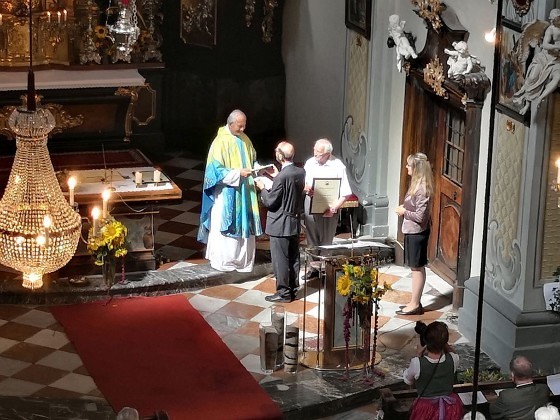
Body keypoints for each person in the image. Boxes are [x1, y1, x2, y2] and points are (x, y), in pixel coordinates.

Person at [197, 109, 262, 272]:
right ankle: (225, 261)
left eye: (244, 125)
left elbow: (252, 160)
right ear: (230, 124)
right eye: (239, 126)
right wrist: (237, 173)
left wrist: (259, 168)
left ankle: (243, 262)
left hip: (245, 191)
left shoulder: (245, 139)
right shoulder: (220, 142)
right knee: (226, 225)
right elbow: (214, 171)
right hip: (227, 193)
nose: (242, 129)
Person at [255, 141, 305, 303]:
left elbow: (270, 201)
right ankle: (293, 288)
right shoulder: (300, 171)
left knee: (280, 260)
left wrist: (262, 188)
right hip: (294, 222)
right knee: (293, 257)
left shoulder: (282, 177)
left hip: (280, 224)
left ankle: (283, 293)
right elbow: (288, 186)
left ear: (280, 156)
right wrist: (277, 176)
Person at [302, 138, 353, 280]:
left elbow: (346, 192)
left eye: (319, 153)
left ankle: (325, 270)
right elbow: (304, 183)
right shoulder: (310, 163)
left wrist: (334, 208)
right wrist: (307, 189)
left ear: (328, 154)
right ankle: (313, 268)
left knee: (326, 240)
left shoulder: (338, 166)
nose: (315, 154)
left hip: (329, 206)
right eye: (314, 150)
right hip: (311, 203)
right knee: (311, 238)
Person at [395, 152, 433, 316]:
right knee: (414, 267)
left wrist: (404, 211)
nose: (406, 167)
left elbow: (420, 217)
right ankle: (413, 302)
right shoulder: (416, 185)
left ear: (416, 168)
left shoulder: (422, 190)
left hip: (417, 233)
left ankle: (415, 304)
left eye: (409, 165)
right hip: (411, 231)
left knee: (417, 268)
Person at [403, 321, 463, 420]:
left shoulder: (417, 363)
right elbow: (453, 353)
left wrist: (418, 356)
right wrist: (445, 345)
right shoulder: (453, 359)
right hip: (450, 408)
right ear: (445, 342)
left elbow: (408, 380)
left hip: (426, 409)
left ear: (426, 342)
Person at [513, 9, 560, 115]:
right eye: (551, 20)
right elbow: (545, 45)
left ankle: (541, 98)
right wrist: (556, 47)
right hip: (544, 58)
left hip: (557, 61)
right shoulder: (550, 29)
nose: (551, 22)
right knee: (533, 77)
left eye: (554, 20)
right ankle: (527, 103)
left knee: (557, 78)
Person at [489, 355, 550, 420]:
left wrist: (493, 399)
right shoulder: (544, 389)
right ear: (532, 373)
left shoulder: (506, 396)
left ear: (512, 375)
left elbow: (494, 413)